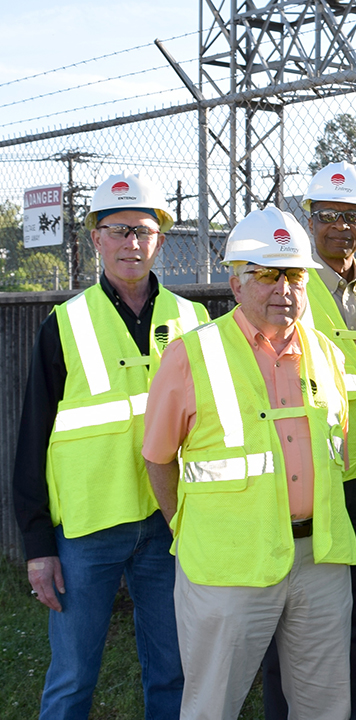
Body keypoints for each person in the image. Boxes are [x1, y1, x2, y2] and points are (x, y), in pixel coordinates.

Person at [143, 206, 356, 719]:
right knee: (212, 705)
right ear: (235, 284)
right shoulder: (192, 354)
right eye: (266, 274)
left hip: (319, 560)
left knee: (325, 706)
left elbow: (338, 451)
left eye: (295, 275)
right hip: (226, 565)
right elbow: (158, 459)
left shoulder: (327, 354)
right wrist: (188, 527)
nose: (283, 288)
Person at [13, 173, 207, 719]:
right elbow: (32, 440)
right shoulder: (65, 323)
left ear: (161, 240)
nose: (131, 243)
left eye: (143, 231)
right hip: (86, 529)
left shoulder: (195, 321)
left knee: (173, 672)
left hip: (169, 521)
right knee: (73, 677)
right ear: (96, 239)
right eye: (117, 230)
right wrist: (37, 545)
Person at [261, 161, 356, 720]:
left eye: (353, 217)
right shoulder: (288, 285)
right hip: (314, 480)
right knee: (298, 616)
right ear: (309, 219)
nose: (340, 228)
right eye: (328, 216)